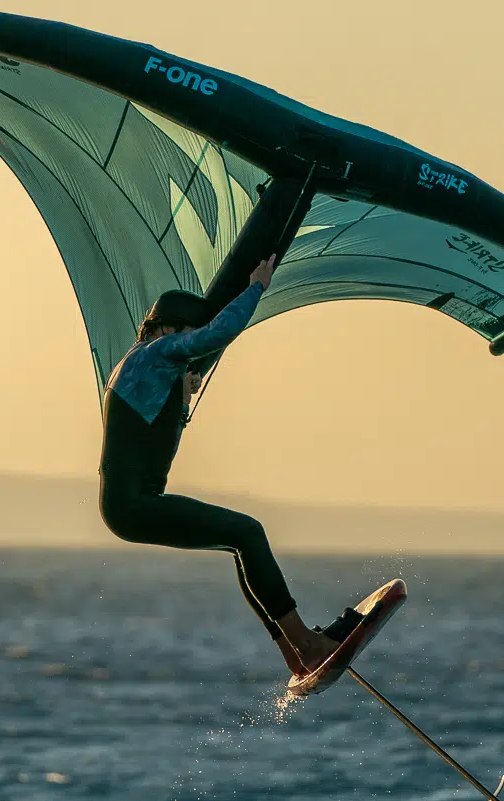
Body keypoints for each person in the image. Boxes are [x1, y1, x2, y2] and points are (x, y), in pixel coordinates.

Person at [99, 254, 353, 678]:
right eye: (188, 335)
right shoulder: (155, 352)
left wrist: (177, 404)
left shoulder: (142, 367)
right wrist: (257, 286)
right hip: (134, 504)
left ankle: (295, 654)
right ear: (167, 328)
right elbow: (220, 333)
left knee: (240, 542)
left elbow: (155, 449)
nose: (192, 344)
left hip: (131, 505)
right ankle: (307, 643)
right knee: (248, 532)